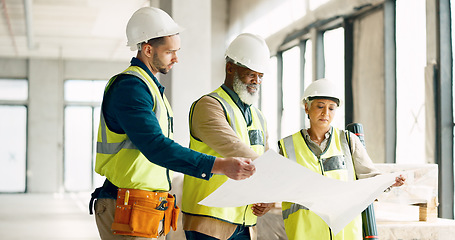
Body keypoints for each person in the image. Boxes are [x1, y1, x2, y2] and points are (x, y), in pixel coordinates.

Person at [89, 7, 256, 240]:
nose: (176, 58)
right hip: (126, 205)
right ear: (147, 49)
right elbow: (156, 147)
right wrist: (220, 165)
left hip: (145, 207)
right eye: (170, 52)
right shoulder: (130, 88)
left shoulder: (149, 88)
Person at [278, 78, 406, 240]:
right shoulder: (288, 146)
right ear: (306, 107)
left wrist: (388, 181)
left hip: (345, 234)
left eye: (331, 108)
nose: (326, 113)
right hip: (305, 233)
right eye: (320, 106)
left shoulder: (348, 140)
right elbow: (276, 188)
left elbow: (369, 176)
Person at [181, 33, 274, 240]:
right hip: (210, 220)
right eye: (251, 74)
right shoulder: (209, 105)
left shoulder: (258, 116)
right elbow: (238, 151)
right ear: (230, 68)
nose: (256, 81)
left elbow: (266, 158)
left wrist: (269, 195)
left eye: (260, 76)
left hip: (246, 222)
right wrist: (279, 180)